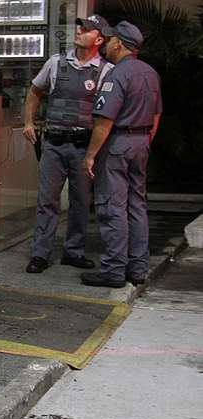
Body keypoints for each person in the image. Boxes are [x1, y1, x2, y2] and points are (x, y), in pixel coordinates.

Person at [23, 15, 112, 274]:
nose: (80, 31)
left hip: (83, 146)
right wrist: (28, 122)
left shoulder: (106, 70)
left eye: (87, 29)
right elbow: (34, 92)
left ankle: (74, 252)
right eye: (80, 27)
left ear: (99, 39)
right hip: (54, 142)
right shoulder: (56, 63)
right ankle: (40, 254)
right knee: (47, 200)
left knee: (81, 201)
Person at [80, 21, 162, 288]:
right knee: (137, 205)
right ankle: (137, 268)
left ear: (119, 44)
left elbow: (104, 121)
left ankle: (113, 271)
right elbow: (157, 115)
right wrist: (143, 141)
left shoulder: (117, 75)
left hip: (118, 144)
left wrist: (91, 155)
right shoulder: (150, 73)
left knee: (112, 207)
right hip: (141, 141)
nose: (108, 42)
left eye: (111, 38)